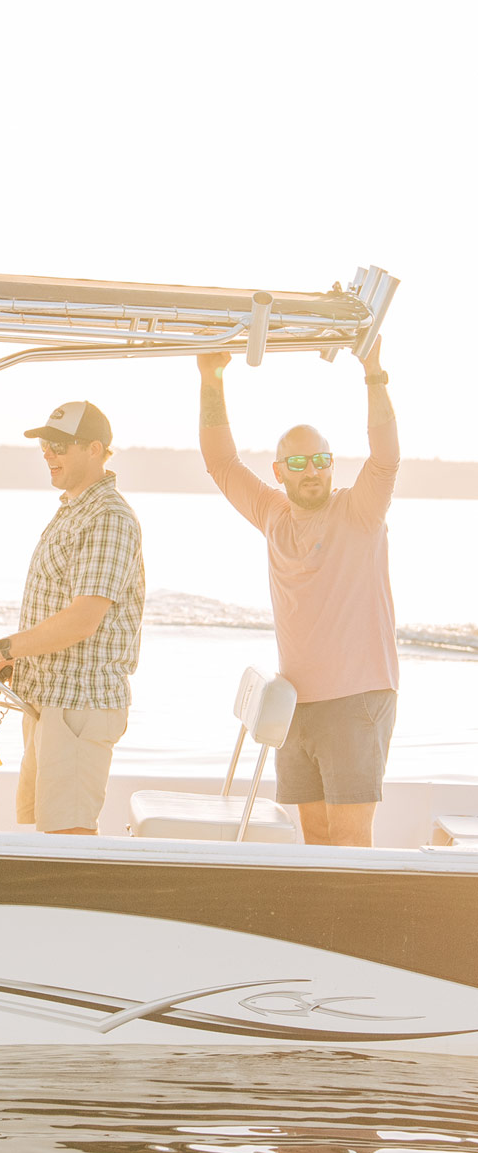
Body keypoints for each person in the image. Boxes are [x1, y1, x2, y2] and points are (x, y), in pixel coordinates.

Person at [196, 337, 398, 847]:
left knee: (350, 847)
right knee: (315, 842)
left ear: (332, 464)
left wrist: (374, 373)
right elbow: (221, 462)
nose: (313, 471)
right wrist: (210, 379)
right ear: (279, 471)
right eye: (300, 463)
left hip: (357, 701)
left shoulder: (361, 509)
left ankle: (354, 928)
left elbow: (387, 456)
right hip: (295, 705)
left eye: (321, 460)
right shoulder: (273, 515)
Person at [0, 401, 145, 835]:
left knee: (69, 838)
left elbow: (82, 620)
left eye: (59, 445)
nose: (47, 453)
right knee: (40, 830)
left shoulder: (108, 517)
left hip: (78, 706)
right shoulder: (74, 508)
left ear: (96, 449)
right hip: (48, 701)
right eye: (45, 445)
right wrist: (15, 663)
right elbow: (56, 604)